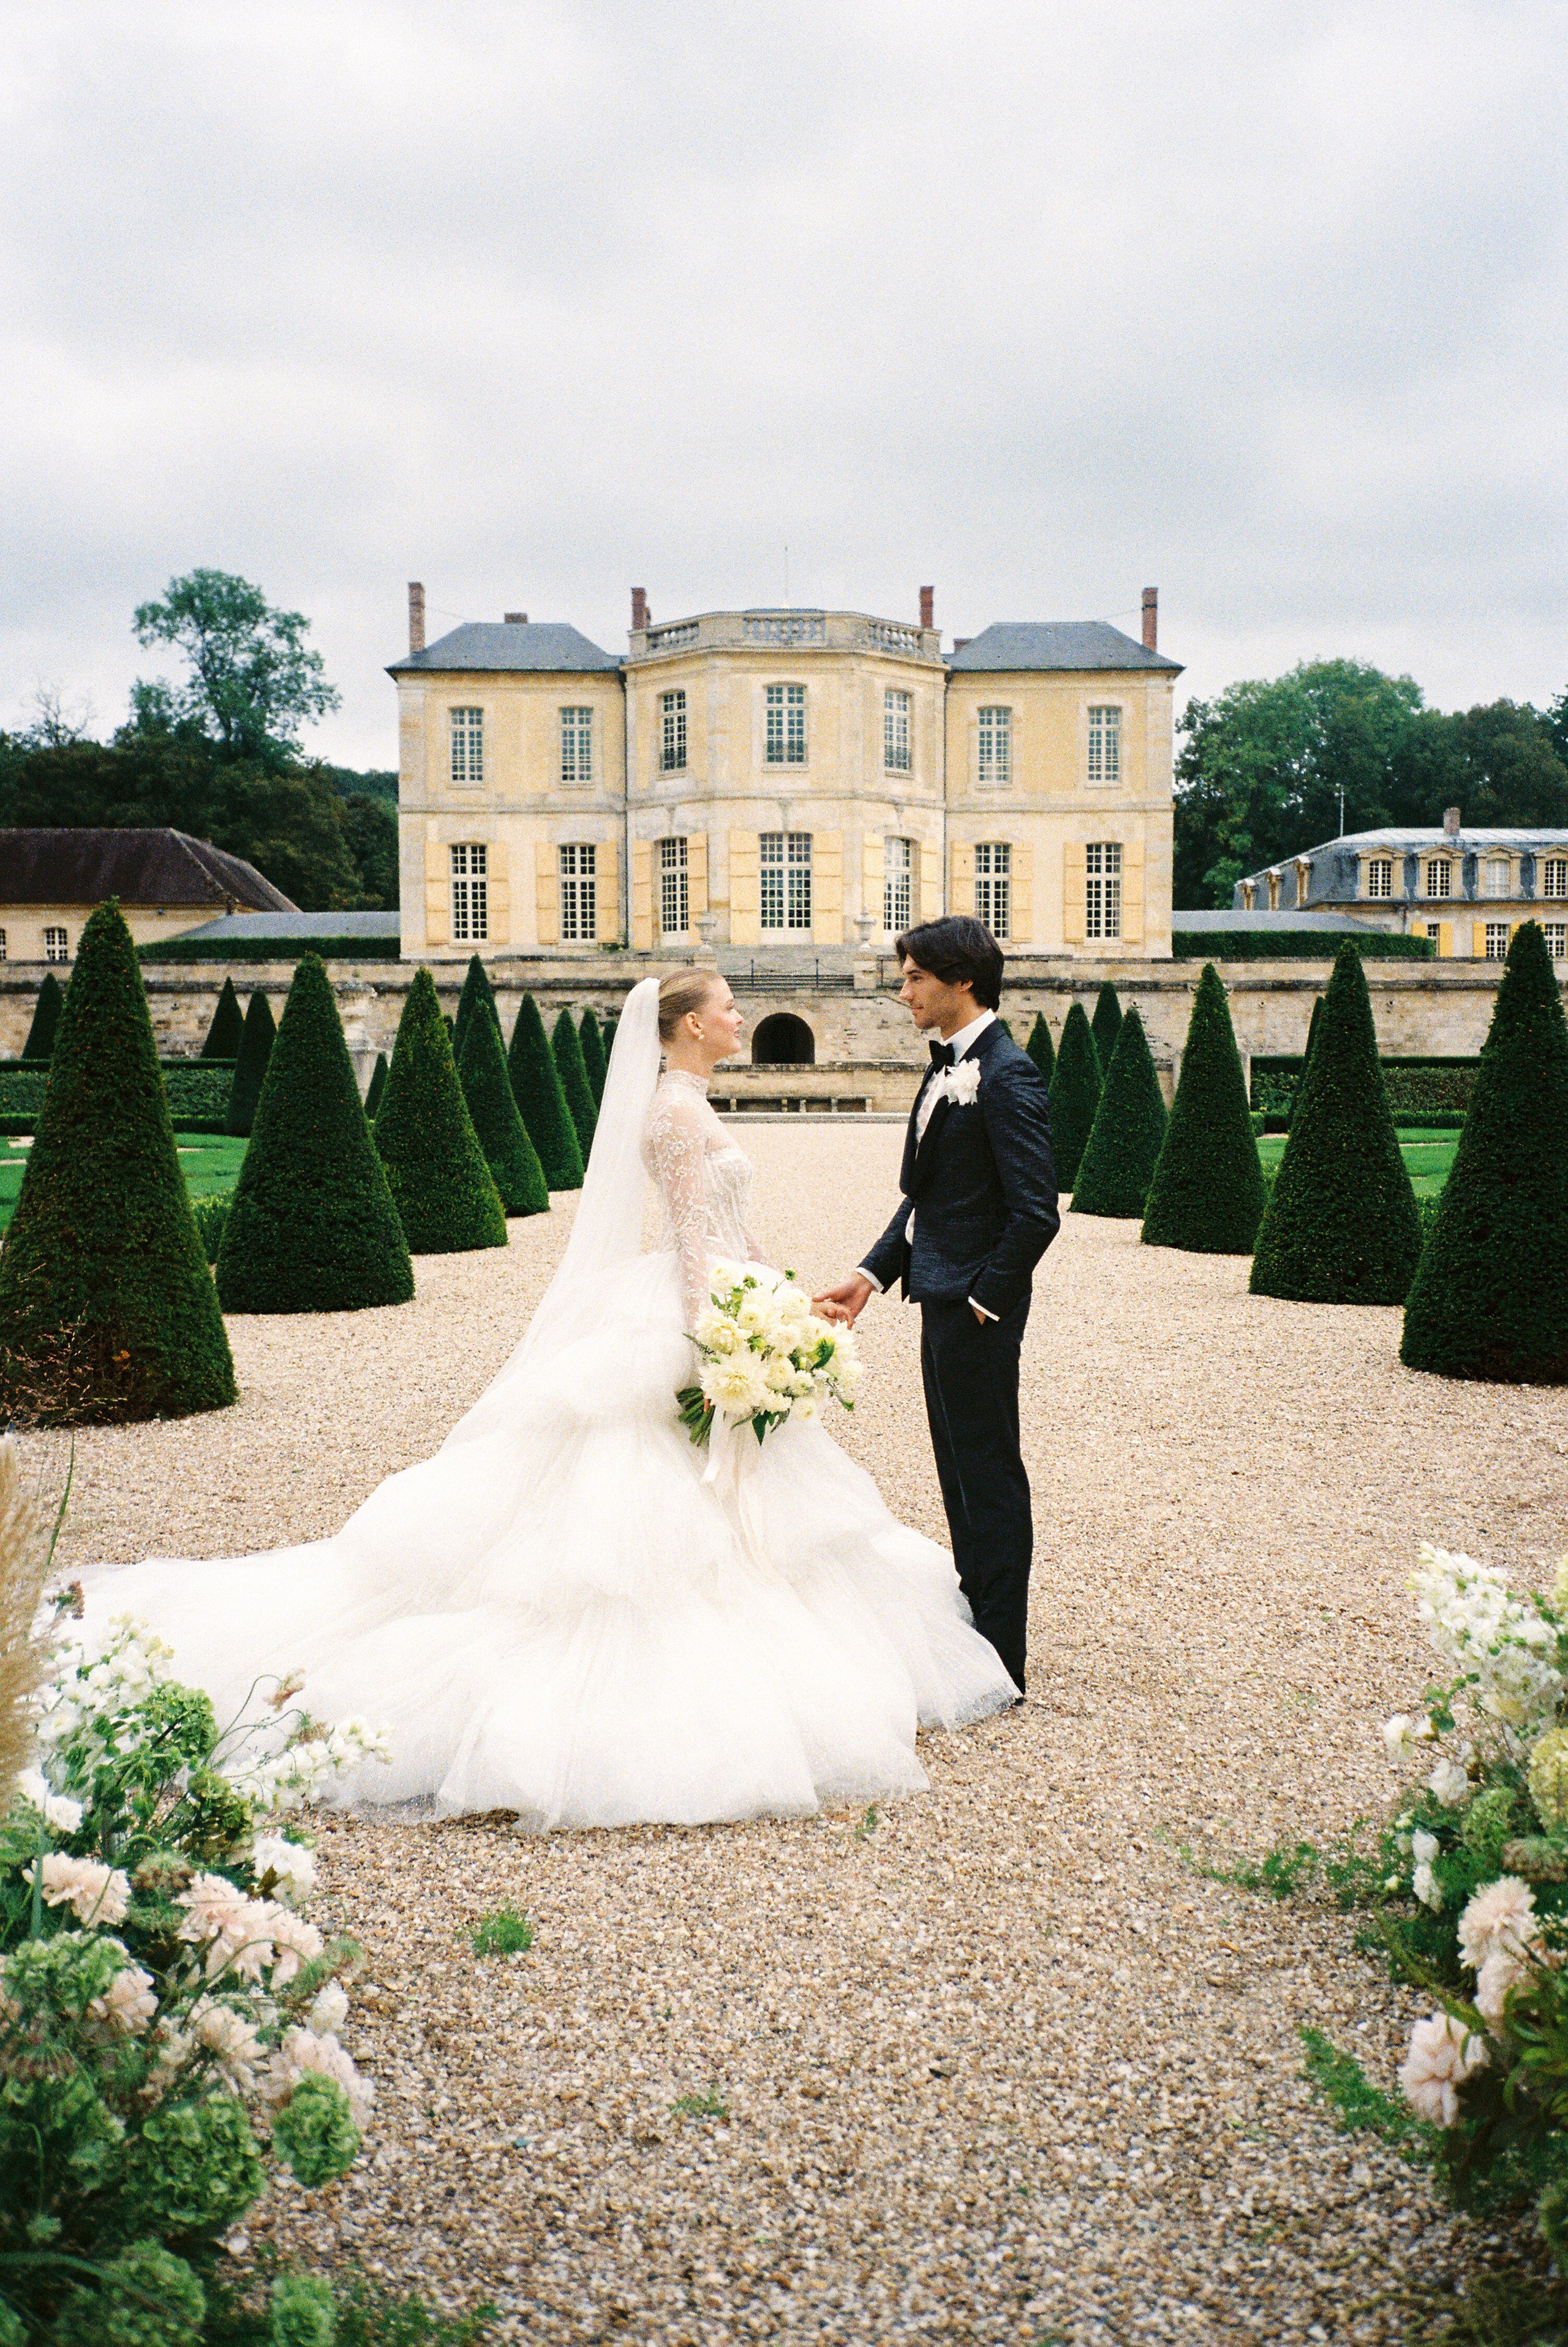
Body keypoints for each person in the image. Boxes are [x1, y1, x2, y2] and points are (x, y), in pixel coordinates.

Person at [72, 969, 1017, 1829]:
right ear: (689, 1025)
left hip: (728, 1299)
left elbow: (730, 1229)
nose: (739, 1018)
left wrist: (779, 1298)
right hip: (694, 1314)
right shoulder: (675, 1115)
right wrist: (719, 1343)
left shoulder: (690, 1100)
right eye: (728, 1008)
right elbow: (691, 1245)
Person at [816, 917, 1058, 1696]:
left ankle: (1002, 1657)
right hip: (938, 1296)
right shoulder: (949, 1066)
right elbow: (926, 1199)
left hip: (974, 1308)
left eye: (915, 977)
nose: (903, 990)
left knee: (986, 1472)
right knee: (957, 1468)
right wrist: (872, 1273)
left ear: (961, 981)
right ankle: (976, 1639)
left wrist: (985, 1302)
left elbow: (1035, 1212)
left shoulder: (1006, 1074)